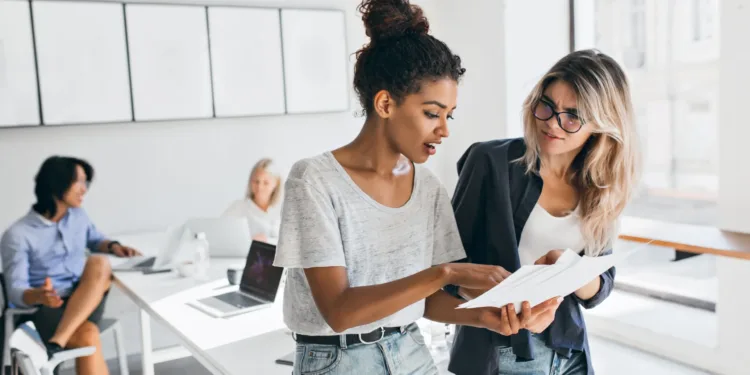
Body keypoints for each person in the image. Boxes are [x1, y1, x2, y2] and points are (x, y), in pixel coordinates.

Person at [272, 1, 562, 374]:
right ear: (385, 103)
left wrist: (486, 317)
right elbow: (340, 311)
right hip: (336, 360)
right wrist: (447, 273)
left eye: (448, 115)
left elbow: (422, 302)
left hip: (410, 350)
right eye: (431, 113)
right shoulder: (314, 180)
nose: (444, 130)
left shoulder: (427, 187)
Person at [445, 50, 640, 375]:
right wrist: (508, 307)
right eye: (547, 105)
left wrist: (571, 269)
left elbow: (599, 288)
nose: (552, 123)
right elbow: (448, 269)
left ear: (601, 124)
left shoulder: (602, 184)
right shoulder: (490, 162)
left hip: (571, 352)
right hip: (501, 352)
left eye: (572, 116)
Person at [1, 156, 141, 375]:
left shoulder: (78, 216)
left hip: (84, 299)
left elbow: (95, 240)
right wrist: (39, 295)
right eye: (80, 182)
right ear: (58, 184)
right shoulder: (18, 235)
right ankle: (54, 342)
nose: (84, 190)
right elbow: (16, 292)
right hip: (46, 310)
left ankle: (54, 344)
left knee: (99, 261)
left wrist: (113, 246)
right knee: (88, 335)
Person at [222, 158, 283, 244]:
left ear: (276, 184)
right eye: (256, 181)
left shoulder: (284, 209)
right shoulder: (238, 207)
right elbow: (221, 234)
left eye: (266, 183)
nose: (259, 187)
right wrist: (249, 240)